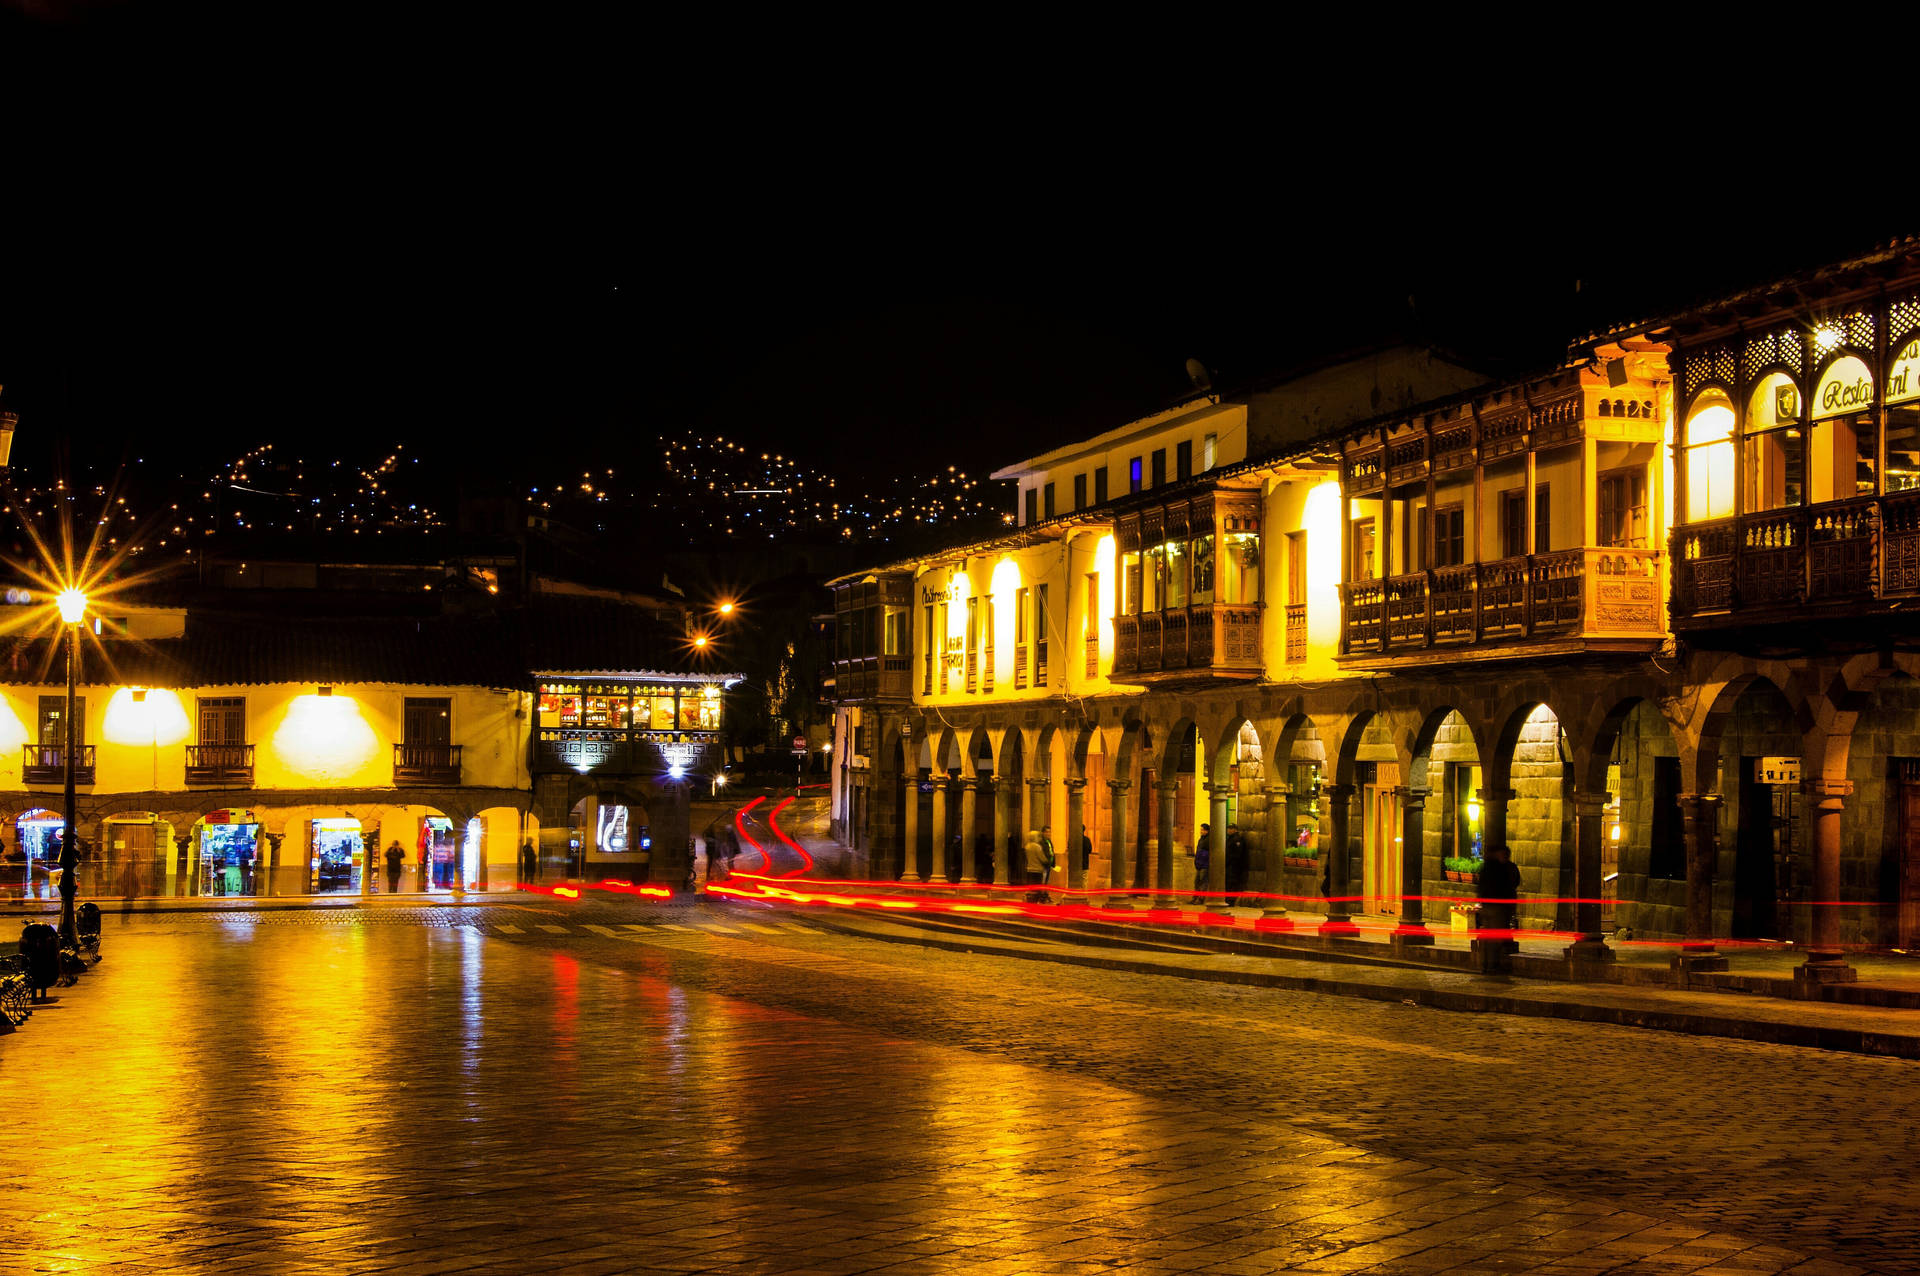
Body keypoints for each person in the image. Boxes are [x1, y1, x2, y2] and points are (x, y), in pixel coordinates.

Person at [1477, 842, 1523, 972]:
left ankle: (1485, 965)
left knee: (1488, 937)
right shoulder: (1502, 868)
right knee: (1494, 939)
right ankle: (1492, 965)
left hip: (1487, 905)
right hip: (1497, 907)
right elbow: (1512, 883)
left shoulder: (1487, 867)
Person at [1224, 823, 1249, 907]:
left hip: (1234, 867)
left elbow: (1237, 854)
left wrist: (1229, 862)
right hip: (1230, 866)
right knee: (1229, 884)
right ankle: (1228, 900)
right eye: (1228, 828)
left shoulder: (1237, 839)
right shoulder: (1230, 839)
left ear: (1235, 830)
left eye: (1231, 828)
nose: (1228, 830)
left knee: (1232, 884)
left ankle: (1230, 901)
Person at [1190, 822, 1212, 903]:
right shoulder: (1201, 839)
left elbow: (1207, 853)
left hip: (1205, 864)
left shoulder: (1209, 840)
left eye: (1202, 830)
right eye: (1201, 830)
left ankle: (1200, 898)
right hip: (1199, 863)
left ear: (1207, 831)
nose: (1201, 831)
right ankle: (1195, 897)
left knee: (1203, 882)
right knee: (1197, 882)